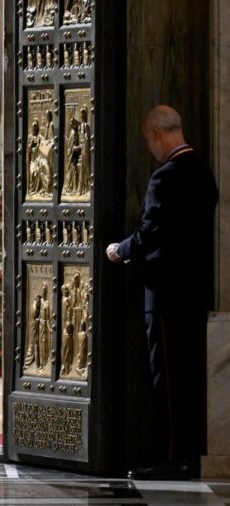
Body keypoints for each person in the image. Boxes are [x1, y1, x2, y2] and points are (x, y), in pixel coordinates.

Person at [106, 105, 218, 480]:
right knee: (191, 379)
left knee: (167, 381)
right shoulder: (203, 172)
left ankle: (173, 457)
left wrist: (120, 250)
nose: (149, 148)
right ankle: (188, 454)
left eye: (147, 140)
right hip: (196, 293)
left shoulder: (165, 178)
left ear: (156, 133)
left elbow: (150, 233)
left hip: (167, 296)